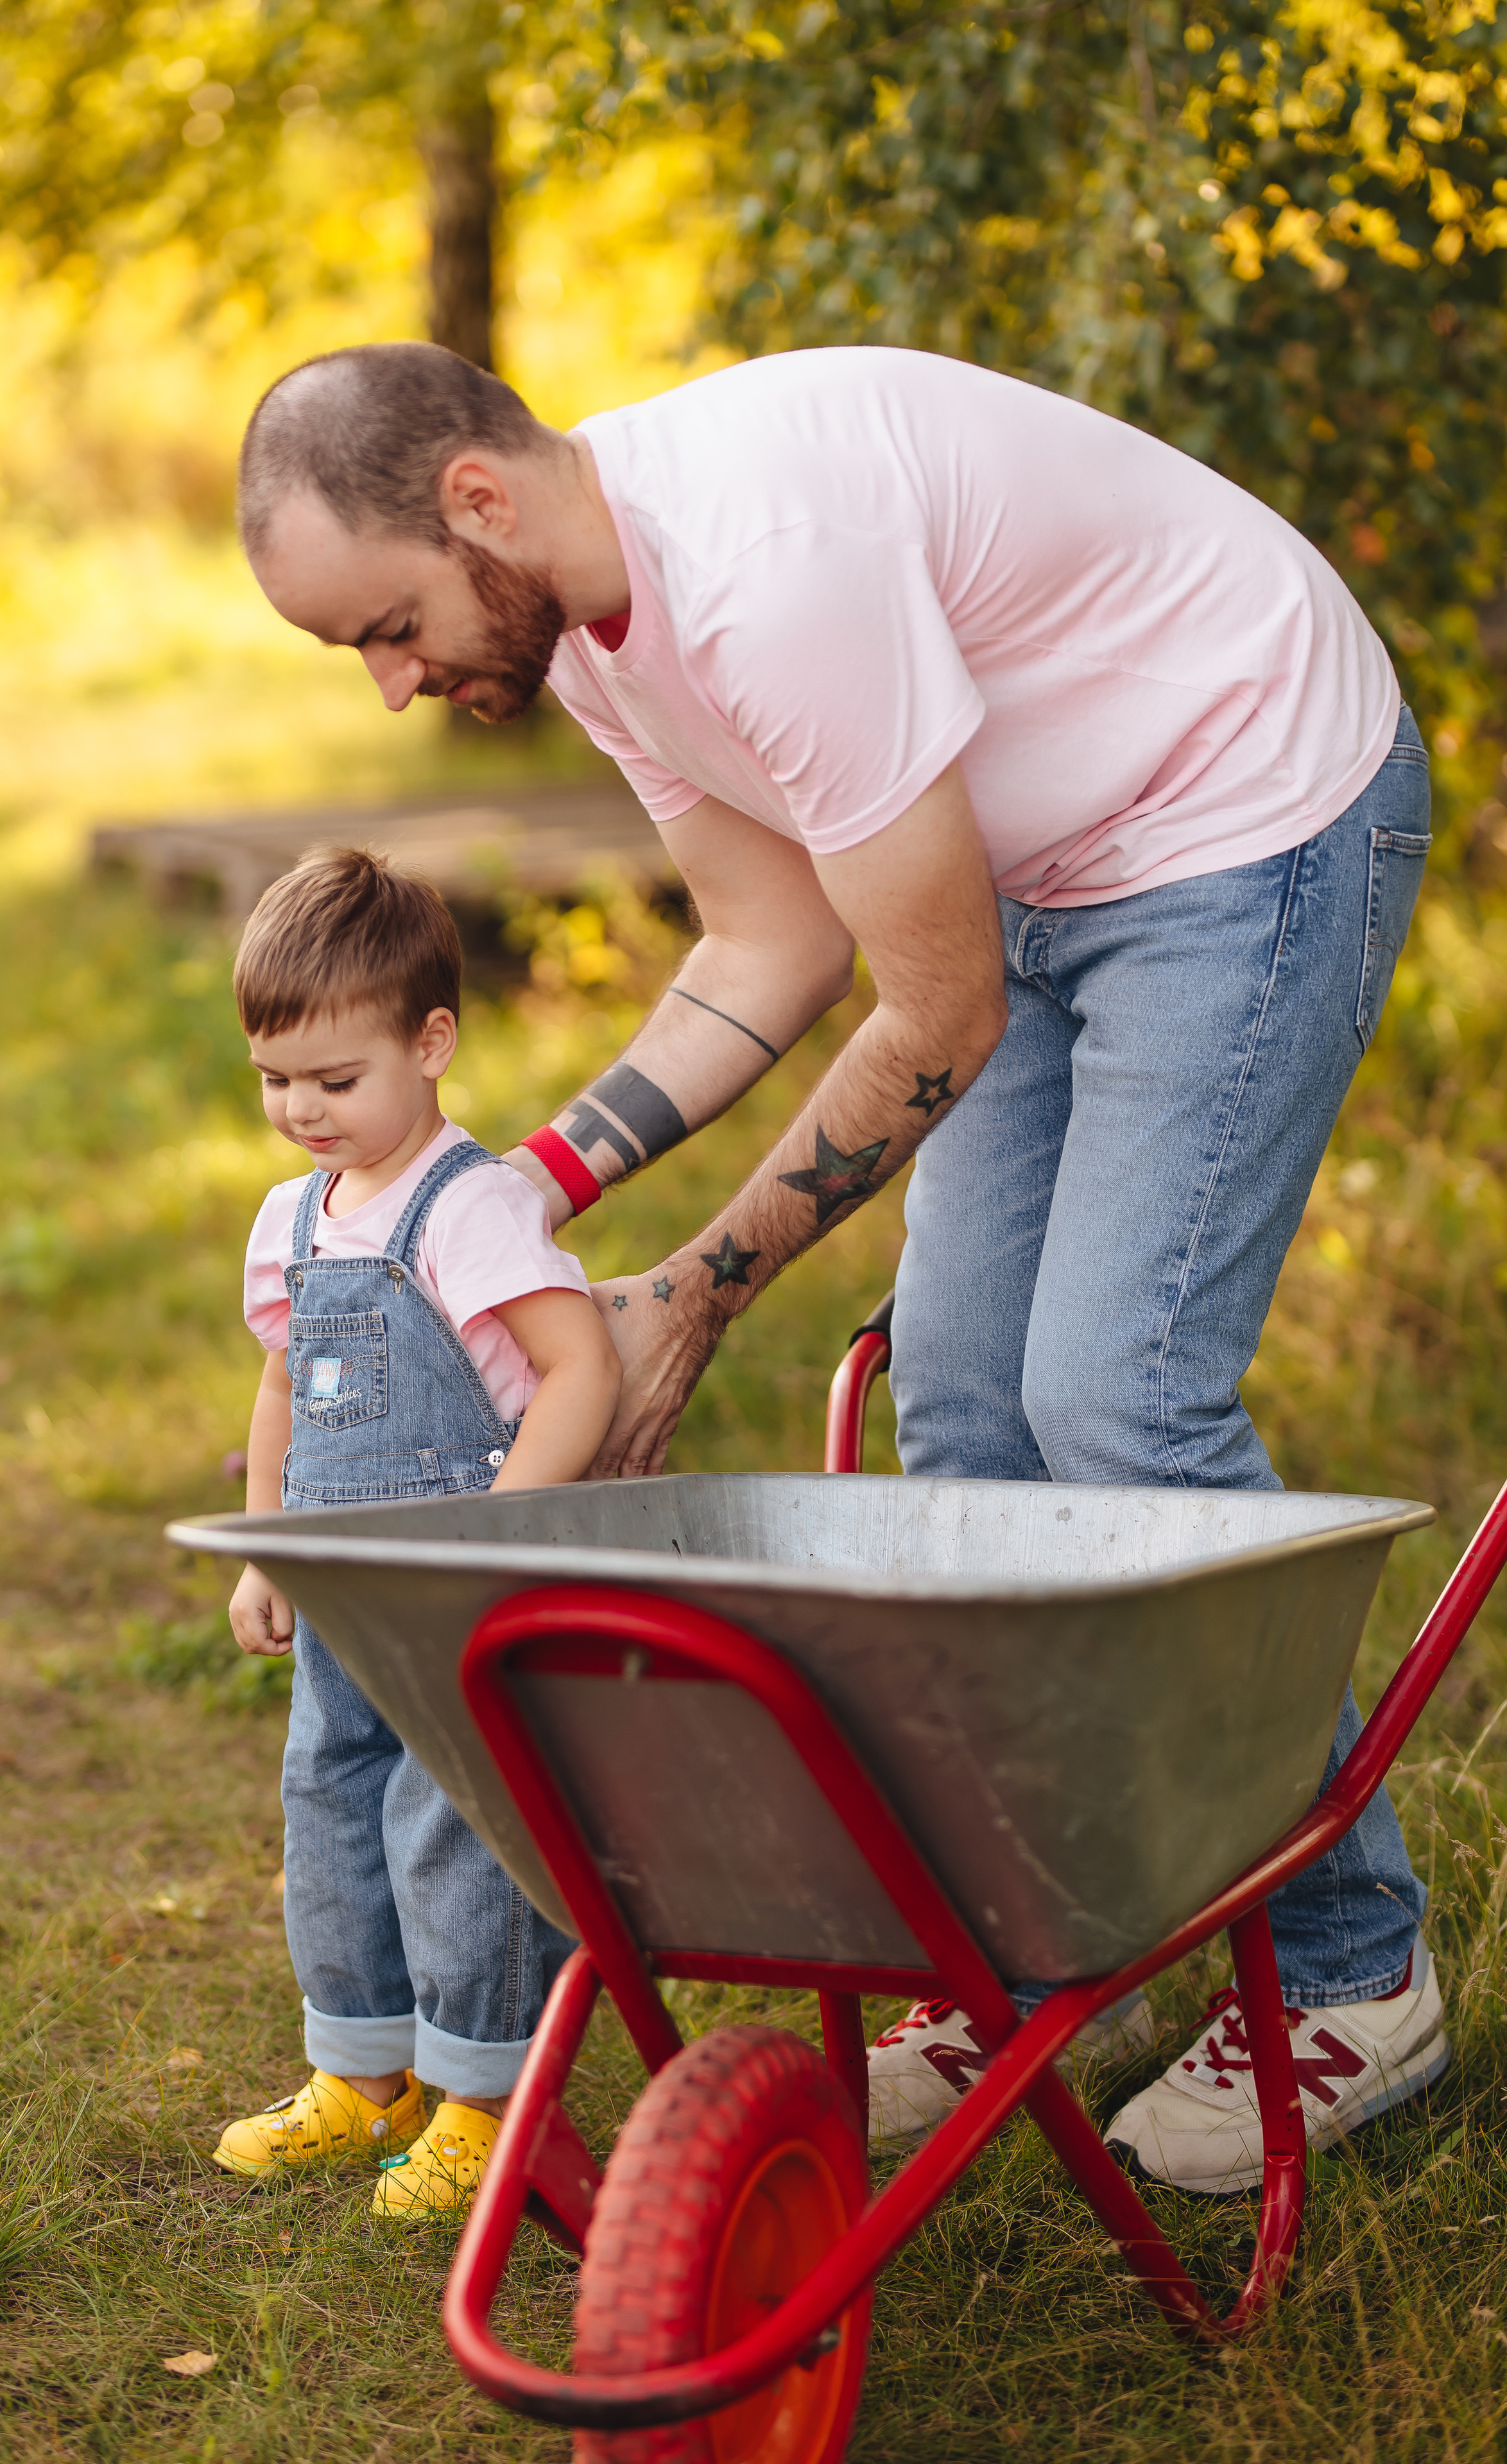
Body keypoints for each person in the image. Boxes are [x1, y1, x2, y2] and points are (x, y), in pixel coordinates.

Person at [232, 341, 1449, 2196]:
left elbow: (933, 1008)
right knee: (961, 1399)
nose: (398, 688)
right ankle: (1049, 1937)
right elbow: (766, 941)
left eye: (386, 629)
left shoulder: (763, 564)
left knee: (1108, 1397)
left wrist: (699, 1287)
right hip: (1036, 863)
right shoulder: (598, 621)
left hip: (1246, 821)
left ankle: (1356, 1973)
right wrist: (531, 1188)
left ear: (477, 501)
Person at [216, 846, 621, 2217]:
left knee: (453, 1813)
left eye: (336, 1081)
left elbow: (579, 1369)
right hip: (349, 1589)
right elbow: (284, 1383)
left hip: (463, 1592)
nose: (302, 1111)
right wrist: (270, 1541)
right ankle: (360, 2071)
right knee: (329, 1799)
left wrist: (499, 1540)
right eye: (277, 1080)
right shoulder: (294, 1220)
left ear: (431, 1041)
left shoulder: (472, 1206)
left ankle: (482, 2094)